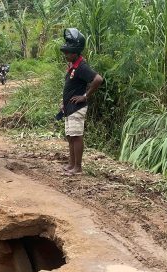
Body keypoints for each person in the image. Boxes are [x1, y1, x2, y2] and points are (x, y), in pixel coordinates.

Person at [60, 28, 103, 176]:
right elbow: (70, 88)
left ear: (75, 52)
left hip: (77, 108)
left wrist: (85, 96)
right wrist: (63, 103)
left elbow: (98, 79)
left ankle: (77, 167)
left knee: (77, 136)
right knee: (70, 136)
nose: (66, 55)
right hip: (69, 107)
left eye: (68, 53)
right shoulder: (74, 66)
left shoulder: (82, 67)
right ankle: (71, 164)